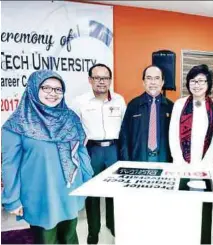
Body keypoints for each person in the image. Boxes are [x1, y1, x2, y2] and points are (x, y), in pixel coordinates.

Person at [1, 70, 94, 244]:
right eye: (46, 88)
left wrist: (88, 181)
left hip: (70, 191)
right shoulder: (16, 125)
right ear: (33, 88)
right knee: (46, 239)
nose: (53, 93)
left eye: (58, 89)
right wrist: (12, 199)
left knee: (70, 237)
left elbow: (81, 151)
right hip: (41, 195)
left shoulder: (70, 118)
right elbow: (9, 165)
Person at [168, 64, 213, 244]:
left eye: (201, 81)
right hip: (181, 164)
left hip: (205, 166)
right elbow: (173, 135)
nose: (197, 85)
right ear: (188, 83)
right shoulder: (179, 104)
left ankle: (203, 240)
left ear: (208, 84)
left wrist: (204, 165)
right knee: (183, 204)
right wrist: (180, 161)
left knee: (204, 206)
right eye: (193, 81)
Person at [71, 63, 127, 244]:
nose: (101, 82)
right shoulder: (80, 101)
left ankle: (113, 224)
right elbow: (74, 129)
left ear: (110, 80)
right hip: (92, 150)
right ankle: (93, 230)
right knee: (92, 192)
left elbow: (125, 127)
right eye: (97, 78)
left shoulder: (119, 100)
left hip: (114, 149)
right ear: (90, 80)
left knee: (115, 190)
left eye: (105, 78)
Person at [119, 65, 174, 162]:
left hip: (164, 160)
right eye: (149, 78)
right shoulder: (133, 105)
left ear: (162, 82)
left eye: (157, 78)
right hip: (139, 159)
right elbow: (124, 136)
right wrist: (125, 161)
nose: (153, 82)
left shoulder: (171, 107)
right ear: (143, 82)